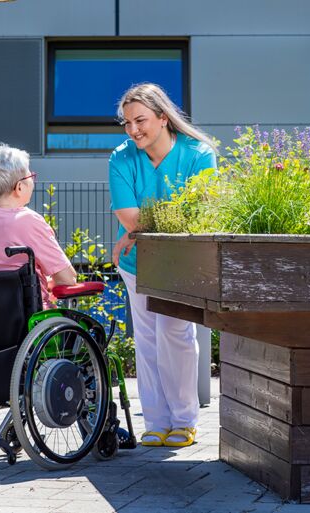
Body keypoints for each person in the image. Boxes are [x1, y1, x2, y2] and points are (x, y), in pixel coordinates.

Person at [108, 83, 217, 448]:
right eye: (127, 123)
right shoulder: (121, 158)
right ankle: (155, 422)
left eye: (140, 120)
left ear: (163, 118)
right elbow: (128, 217)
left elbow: (200, 214)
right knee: (148, 338)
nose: (133, 129)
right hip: (136, 263)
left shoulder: (199, 155)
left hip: (181, 262)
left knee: (175, 334)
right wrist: (140, 229)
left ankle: (184, 420)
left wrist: (143, 226)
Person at [0, 143, 77, 307]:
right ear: (19, 187)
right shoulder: (29, 221)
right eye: (31, 177)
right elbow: (67, 278)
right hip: (27, 323)